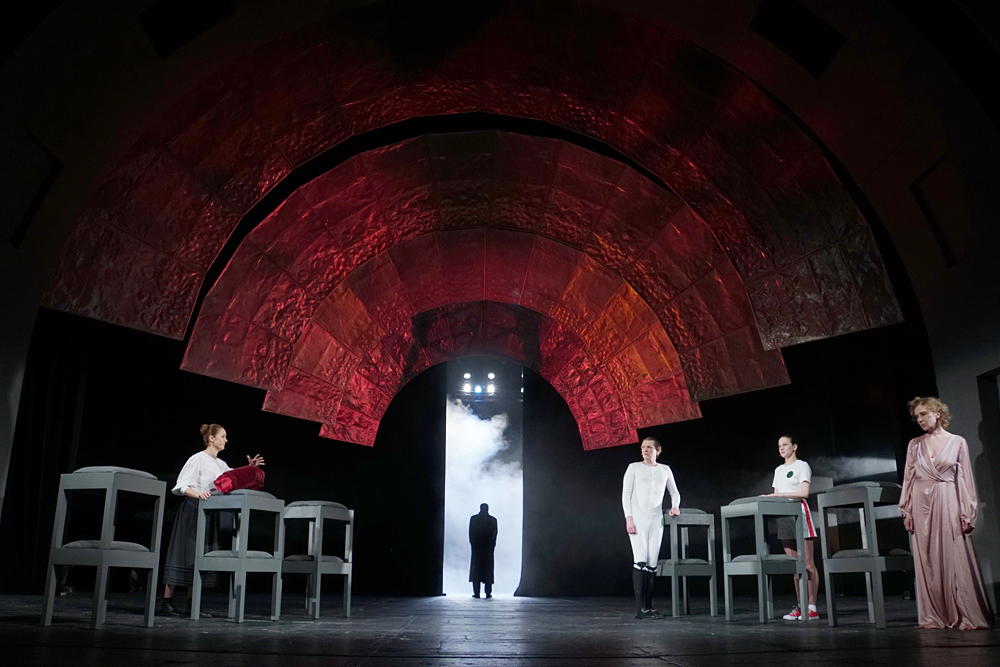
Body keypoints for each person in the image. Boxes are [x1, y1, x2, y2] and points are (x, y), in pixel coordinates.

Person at [898, 397, 994, 629]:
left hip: (948, 499)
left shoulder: (957, 442)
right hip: (921, 505)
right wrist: (906, 510)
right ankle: (935, 616)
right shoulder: (915, 444)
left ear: (937, 413)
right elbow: (908, 478)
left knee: (956, 555)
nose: (920, 420)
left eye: (924, 414)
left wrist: (967, 513)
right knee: (928, 560)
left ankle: (965, 613)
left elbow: (965, 479)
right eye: (917, 416)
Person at [160, 424, 264, 616]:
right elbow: (182, 486)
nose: (226, 440)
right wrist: (198, 494)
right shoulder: (197, 459)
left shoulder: (221, 464)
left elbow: (233, 479)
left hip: (209, 512)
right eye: (223, 436)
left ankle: (192, 604)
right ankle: (167, 602)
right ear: (211, 438)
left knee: (201, 557)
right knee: (183, 554)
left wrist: (250, 469)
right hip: (193, 510)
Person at [762, 435, 819, 620]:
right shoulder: (778, 470)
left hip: (799, 513)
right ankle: (801, 606)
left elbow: (804, 493)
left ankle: (812, 607)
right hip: (784, 516)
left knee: (807, 562)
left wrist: (778, 496)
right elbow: (777, 494)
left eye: (785, 444)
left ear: (794, 446)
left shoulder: (802, 466)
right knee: (794, 565)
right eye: (779, 445)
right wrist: (770, 499)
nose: (781, 448)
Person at [622, 437, 680, 619]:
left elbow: (674, 492)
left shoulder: (665, 470)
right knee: (640, 560)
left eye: (649, 447)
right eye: (643, 447)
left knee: (652, 563)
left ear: (658, 450)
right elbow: (626, 494)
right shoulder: (634, 468)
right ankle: (640, 609)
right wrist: (629, 518)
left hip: (656, 520)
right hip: (638, 519)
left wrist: (675, 506)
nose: (645, 450)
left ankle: (649, 605)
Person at [469, 503, 498, 598]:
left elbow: (471, 533)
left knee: (476, 570)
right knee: (488, 570)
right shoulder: (492, 520)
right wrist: (492, 545)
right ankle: (488, 592)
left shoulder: (474, 519)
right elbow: (494, 534)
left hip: (477, 548)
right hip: (488, 549)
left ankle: (476, 592)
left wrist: (473, 544)